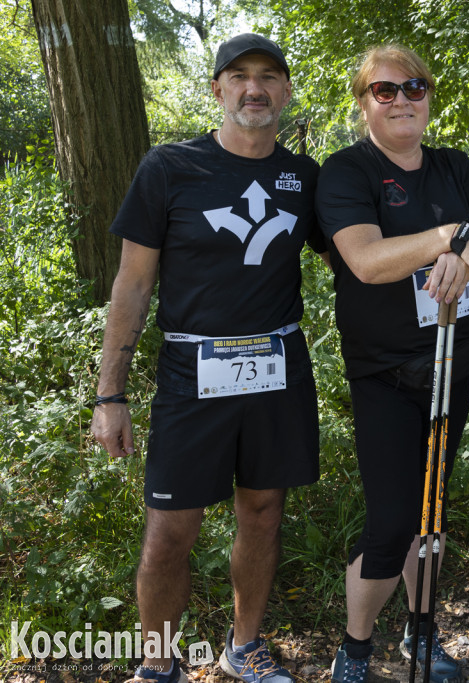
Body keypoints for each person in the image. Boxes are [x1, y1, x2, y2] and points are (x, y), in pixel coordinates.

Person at [90, 33, 324, 683]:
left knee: (263, 512)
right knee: (170, 529)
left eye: (269, 77)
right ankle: (156, 662)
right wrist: (111, 394)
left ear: (285, 91)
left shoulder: (305, 178)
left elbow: (356, 256)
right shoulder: (169, 168)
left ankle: (243, 646)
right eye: (240, 76)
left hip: (276, 367)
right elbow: (132, 286)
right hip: (193, 373)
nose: (255, 88)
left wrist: (446, 245)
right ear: (216, 89)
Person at [315, 44, 469, 683]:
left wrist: (467, 249)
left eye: (414, 87)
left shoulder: (455, 166)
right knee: (394, 519)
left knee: (433, 511)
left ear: (429, 95)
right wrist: (449, 240)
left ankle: (420, 634)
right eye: (384, 90)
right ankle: (356, 643)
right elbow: (367, 262)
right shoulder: (346, 171)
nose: (401, 100)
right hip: (385, 374)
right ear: (363, 100)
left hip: (452, 364)